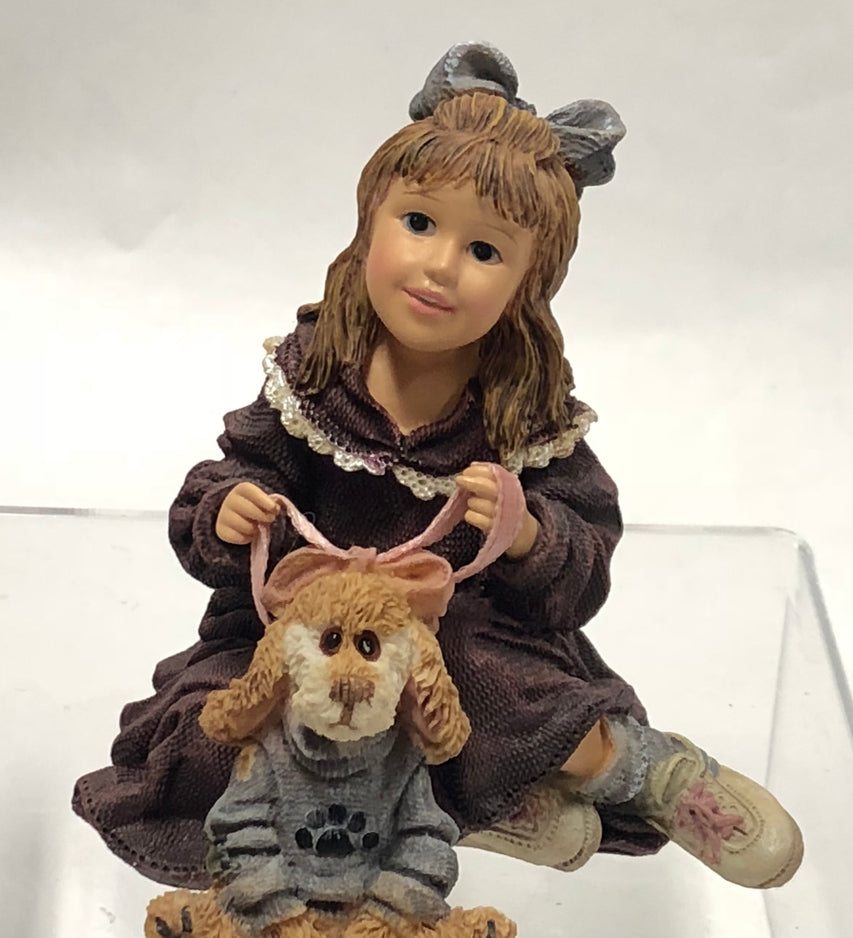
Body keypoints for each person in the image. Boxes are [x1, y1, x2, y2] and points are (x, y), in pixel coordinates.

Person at [73, 42, 802, 892]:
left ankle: (639, 770)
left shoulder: (521, 413)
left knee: (488, 686)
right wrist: (231, 509)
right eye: (418, 223)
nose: (439, 267)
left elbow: (584, 554)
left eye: (485, 251)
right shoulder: (314, 373)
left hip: (454, 625)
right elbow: (238, 470)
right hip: (304, 620)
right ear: (370, 222)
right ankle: (465, 808)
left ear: (528, 283)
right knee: (224, 727)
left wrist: (526, 533)